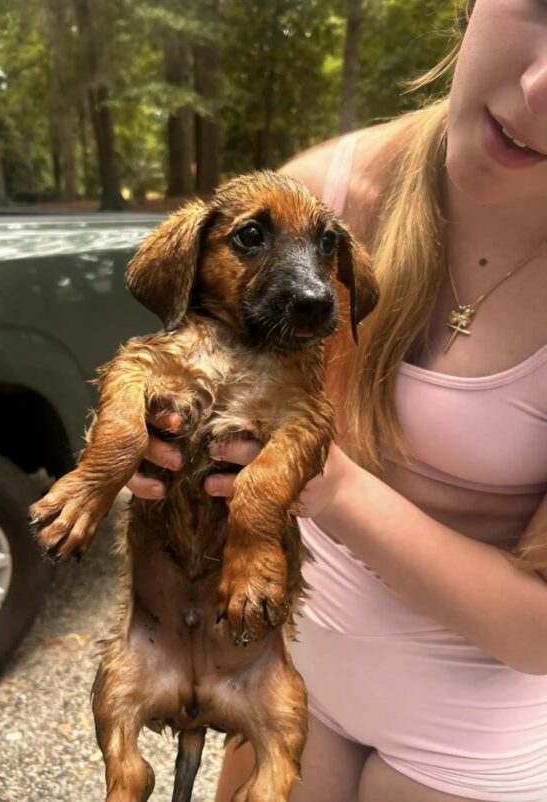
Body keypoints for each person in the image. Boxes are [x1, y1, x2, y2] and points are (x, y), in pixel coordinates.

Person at [127, 0, 547, 799]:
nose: (541, 89)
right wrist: (165, 456)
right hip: (292, 670)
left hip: (468, 736)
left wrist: (337, 489)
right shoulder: (323, 195)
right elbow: (202, 386)